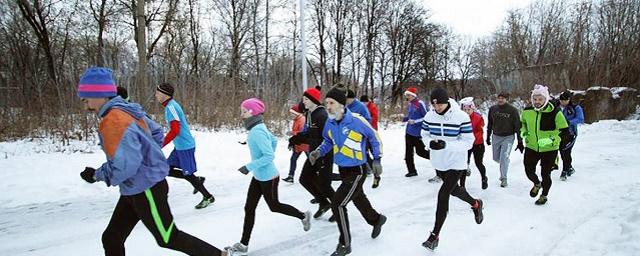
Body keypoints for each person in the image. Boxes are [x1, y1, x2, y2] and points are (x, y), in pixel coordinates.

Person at [77, 67, 227, 256]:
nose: (86, 105)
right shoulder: (128, 110)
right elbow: (156, 132)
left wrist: (96, 175)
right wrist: (148, 155)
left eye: (86, 99)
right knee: (112, 237)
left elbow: (124, 166)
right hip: (134, 188)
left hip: (146, 188)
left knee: (168, 238)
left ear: (99, 94)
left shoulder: (113, 120)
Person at [225, 98, 312, 255]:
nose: (241, 115)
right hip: (259, 176)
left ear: (253, 113)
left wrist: (248, 167)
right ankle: (244, 244)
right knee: (249, 208)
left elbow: (269, 156)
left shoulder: (257, 131)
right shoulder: (258, 127)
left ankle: (303, 215)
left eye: (244, 111)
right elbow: (273, 141)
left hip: (269, 177)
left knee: (274, 206)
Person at [309, 86, 387, 256]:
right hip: (343, 169)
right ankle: (376, 219)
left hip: (358, 171)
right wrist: (318, 152)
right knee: (359, 199)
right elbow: (328, 141)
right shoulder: (329, 122)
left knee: (338, 203)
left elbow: (375, 138)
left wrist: (377, 159)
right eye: (326, 103)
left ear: (341, 105)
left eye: (331, 103)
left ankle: (345, 243)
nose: (328, 106)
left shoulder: (357, 120)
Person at [421, 88, 484, 251]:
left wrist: (447, 144)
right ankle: (476, 204)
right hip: (439, 162)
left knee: (443, 194)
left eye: (440, 104)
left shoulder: (461, 117)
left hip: (456, 162)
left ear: (447, 102)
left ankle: (434, 236)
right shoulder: (429, 116)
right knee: (455, 190)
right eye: (435, 105)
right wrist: (430, 143)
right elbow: (424, 133)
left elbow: (468, 141)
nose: (438, 108)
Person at [155, 83, 215, 209]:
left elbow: (175, 130)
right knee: (166, 169)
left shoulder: (171, 107)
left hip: (185, 146)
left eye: (158, 92)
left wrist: (160, 144)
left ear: (165, 94)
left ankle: (208, 197)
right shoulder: (170, 106)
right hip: (180, 146)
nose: (156, 95)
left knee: (188, 175)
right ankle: (197, 180)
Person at [288, 86, 336, 221]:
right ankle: (324, 203)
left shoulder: (322, 115)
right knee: (304, 179)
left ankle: (339, 209)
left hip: (324, 154)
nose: (303, 102)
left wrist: (320, 153)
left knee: (325, 185)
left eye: (305, 99)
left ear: (313, 100)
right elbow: (309, 133)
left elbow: (326, 138)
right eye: (303, 99)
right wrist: (296, 138)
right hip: (313, 153)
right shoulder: (310, 114)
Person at [520, 84, 571, 205]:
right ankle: (537, 184)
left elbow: (565, 132)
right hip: (531, 147)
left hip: (549, 149)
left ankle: (544, 195)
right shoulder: (527, 111)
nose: (537, 102)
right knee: (529, 171)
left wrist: (551, 140)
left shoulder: (555, 112)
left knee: (545, 174)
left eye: (540, 99)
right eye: (535, 99)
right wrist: (524, 133)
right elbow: (522, 124)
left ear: (546, 99)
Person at [486, 92, 523, 187]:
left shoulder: (513, 110)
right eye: (499, 98)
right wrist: (488, 136)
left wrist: (520, 141)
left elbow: (517, 126)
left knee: (503, 158)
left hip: (508, 137)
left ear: (507, 99)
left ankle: (503, 178)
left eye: (503, 98)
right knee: (495, 158)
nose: (500, 100)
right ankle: (505, 161)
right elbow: (490, 123)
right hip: (496, 136)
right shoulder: (493, 109)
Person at [459, 98, 488, 190]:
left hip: (477, 144)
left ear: (473, 109)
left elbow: (480, 131)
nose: (467, 112)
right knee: (463, 164)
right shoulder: (460, 118)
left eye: (469, 109)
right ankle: (462, 185)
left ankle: (484, 178)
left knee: (478, 163)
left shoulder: (478, 117)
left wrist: (471, 137)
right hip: (465, 145)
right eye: (465, 110)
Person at [402, 87, 431, 178]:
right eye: (406, 95)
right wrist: (405, 118)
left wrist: (416, 121)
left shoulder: (420, 103)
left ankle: (437, 159)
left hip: (417, 133)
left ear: (413, 95)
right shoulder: (410, 103)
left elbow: (427, 117)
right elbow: (411, 116)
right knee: (408, 153)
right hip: (409, 132)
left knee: (421, 152)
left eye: (408, 95)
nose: (407, 97)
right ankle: (412, 171)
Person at [558, 90, 584, 181]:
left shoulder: (575, 107)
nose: (563, 102)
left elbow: (580, 119)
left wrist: (569, 122)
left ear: (569, 99)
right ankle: (569, 168)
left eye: (565, 100)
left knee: (566, 151)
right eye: (561, 100)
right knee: (561, 151)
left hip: (570, 133)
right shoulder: (556, 107)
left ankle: (564, 171)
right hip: (559, 133)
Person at [283, 104, 309, 183]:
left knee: (310, 160)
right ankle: (291, 176)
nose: (291, 115)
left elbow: (302, 133)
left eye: (292, 114)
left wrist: (292, 133)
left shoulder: (301, 120)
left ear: (296, 113)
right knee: (293, 159)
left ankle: (317, 174)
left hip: (304, 144)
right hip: (298, 144)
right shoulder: (297, 119)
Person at [360, 94, 382, 188]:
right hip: (364, 133)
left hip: (371, 131)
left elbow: (375, 118)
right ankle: (369, 167)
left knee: (372, 150)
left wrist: (366, 123)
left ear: (367, 101)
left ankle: (375, 167)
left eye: (364, 102)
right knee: (364, 151)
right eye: (362, 102)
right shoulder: (361, 107)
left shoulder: (372, 107)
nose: (363, 104)